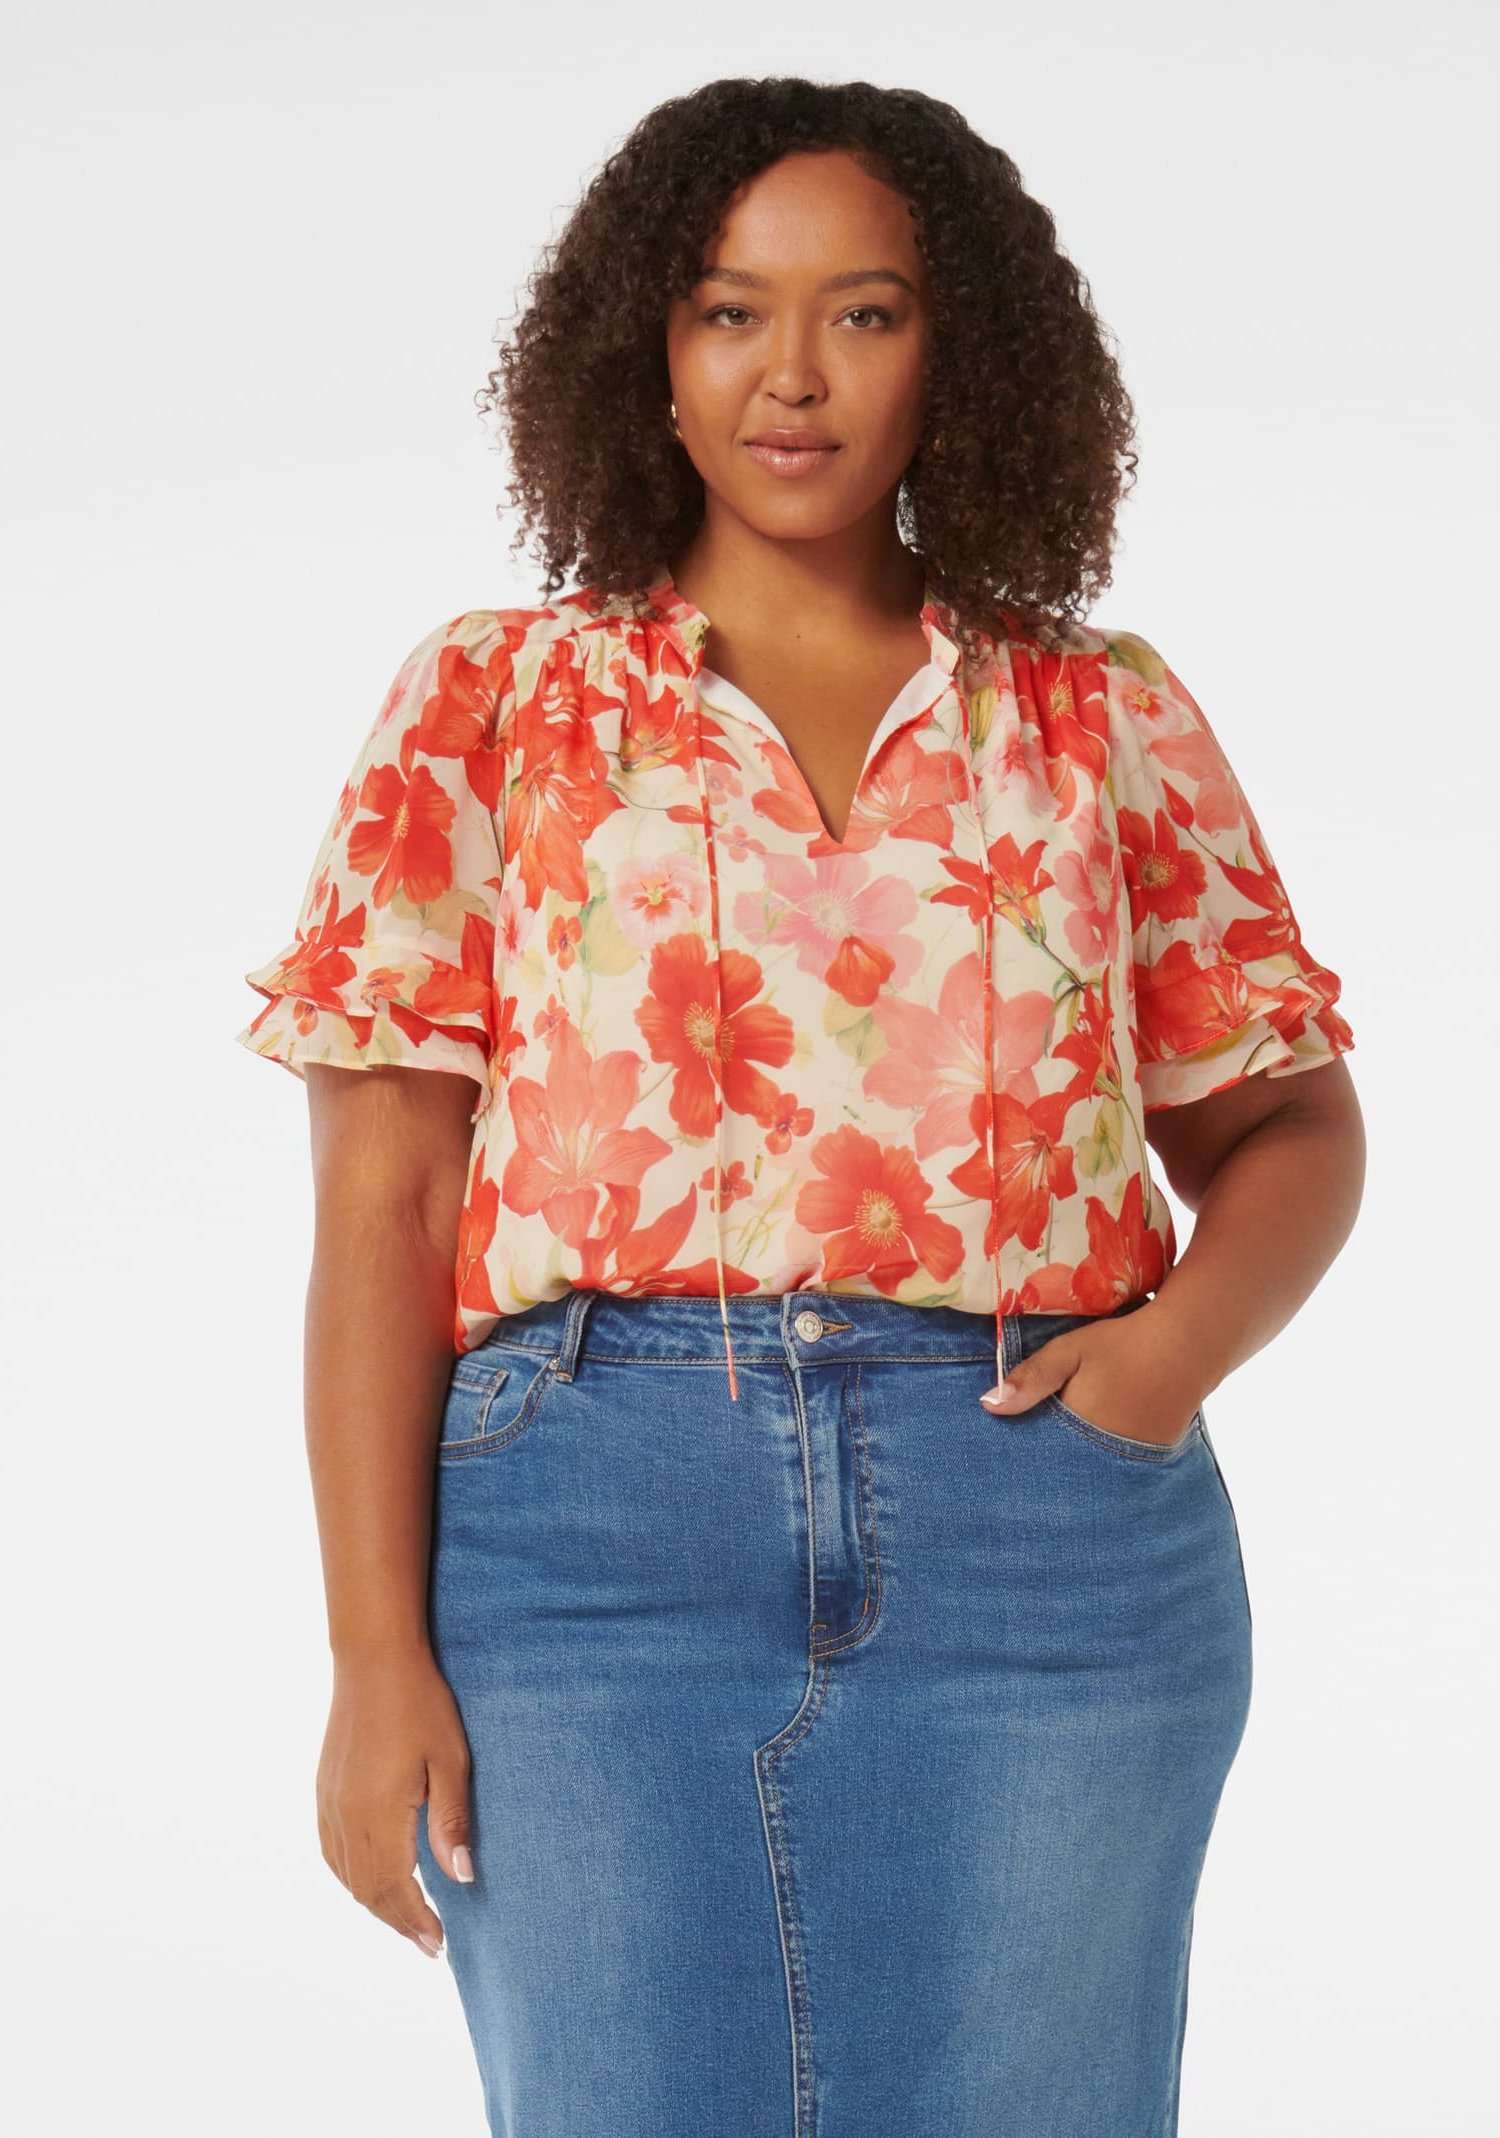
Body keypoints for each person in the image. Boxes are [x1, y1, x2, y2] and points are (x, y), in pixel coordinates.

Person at [235, 75, 1365, 2138]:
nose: (792, 374)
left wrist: (1164, 1360)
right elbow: (381, 1207)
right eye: (728, 310)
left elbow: (1290, 1124)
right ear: (644, 348)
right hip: (588, 1539)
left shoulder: (1096, 709)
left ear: (958, 352)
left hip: (1045, 1540)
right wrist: (371, 1656)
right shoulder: (494, 703)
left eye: (865, 312)